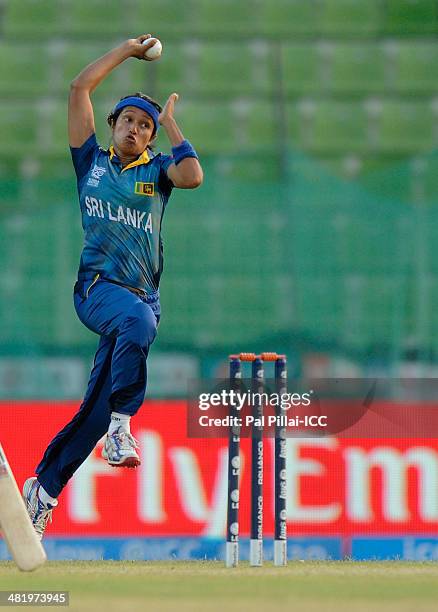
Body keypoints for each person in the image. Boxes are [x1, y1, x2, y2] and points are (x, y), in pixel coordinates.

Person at [22, 34, 203, 539]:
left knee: (95, 409)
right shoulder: (91, 162)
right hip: (97, 289)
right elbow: (79, 87)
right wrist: (126, 50)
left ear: (150, 137)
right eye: (128, 120)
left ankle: (45, 489)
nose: (136, 129)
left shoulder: (158, 171)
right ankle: (125, 426)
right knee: (136, 323)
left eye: (145, 126)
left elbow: (193, 176)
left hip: (142, 298)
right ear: (113, 124)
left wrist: (172, 125)